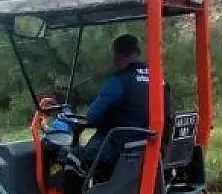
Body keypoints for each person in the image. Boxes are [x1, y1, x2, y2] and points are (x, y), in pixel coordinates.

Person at [71, 33, 172, 176]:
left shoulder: (120, 81)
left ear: (117, 56)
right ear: (137, 52)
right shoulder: (159, 79)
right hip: (152, 146)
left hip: (122, 149)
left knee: (70, 157)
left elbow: (92, 116)